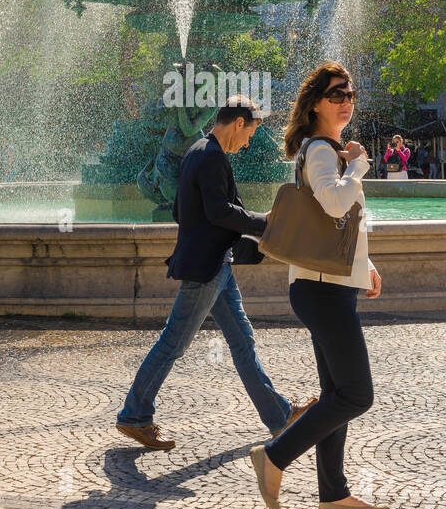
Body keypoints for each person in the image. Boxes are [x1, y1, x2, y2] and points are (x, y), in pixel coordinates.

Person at [116, 94, 315, 450]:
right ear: (238, 123)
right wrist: (263, 222)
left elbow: (182, 209)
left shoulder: (198, 151)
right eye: (250, 132)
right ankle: (134, 415)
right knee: (173, 342)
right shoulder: (210, 156)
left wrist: (216, 233)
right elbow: (220, 212)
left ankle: (278, 415)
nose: (249, 140)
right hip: (207, 267)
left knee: (242, 341)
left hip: (216, 264)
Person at [250, 62, 386, 509]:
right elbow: (333, 201)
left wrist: (364, 264)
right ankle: (274, 456)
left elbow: (335, 224)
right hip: (322, 291)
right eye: (336, 95)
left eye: (349, 94)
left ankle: (333, 494)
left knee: (335, 394)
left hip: (327, 286)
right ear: (315, 105)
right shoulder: (323, 152)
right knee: (355, 395)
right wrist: (361, 164)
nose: (346, 101)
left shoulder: (328, 152)